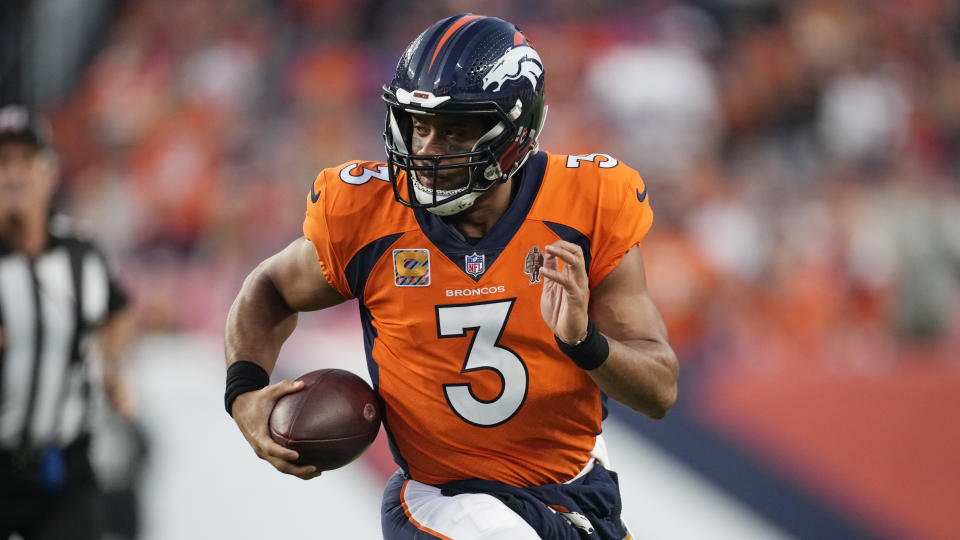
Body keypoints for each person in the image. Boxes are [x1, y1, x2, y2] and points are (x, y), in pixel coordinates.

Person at [225, 14, 678, 540]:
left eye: (456, 129)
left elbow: (660, 391)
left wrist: (585, 343)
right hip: (445, 499)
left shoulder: (588, 205)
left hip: (575, 488)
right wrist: (244, 392)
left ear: (516, 130)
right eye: (419, 125)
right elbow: (270, 288)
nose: (426, 149)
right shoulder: (368, 216)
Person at [0, 104, 136, 540]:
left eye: (26, 161)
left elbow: (119, 309)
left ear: (50, 173)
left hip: (62, 467)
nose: (15, 174)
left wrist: (110, 365)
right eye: (3, 163)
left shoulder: (83, 253)